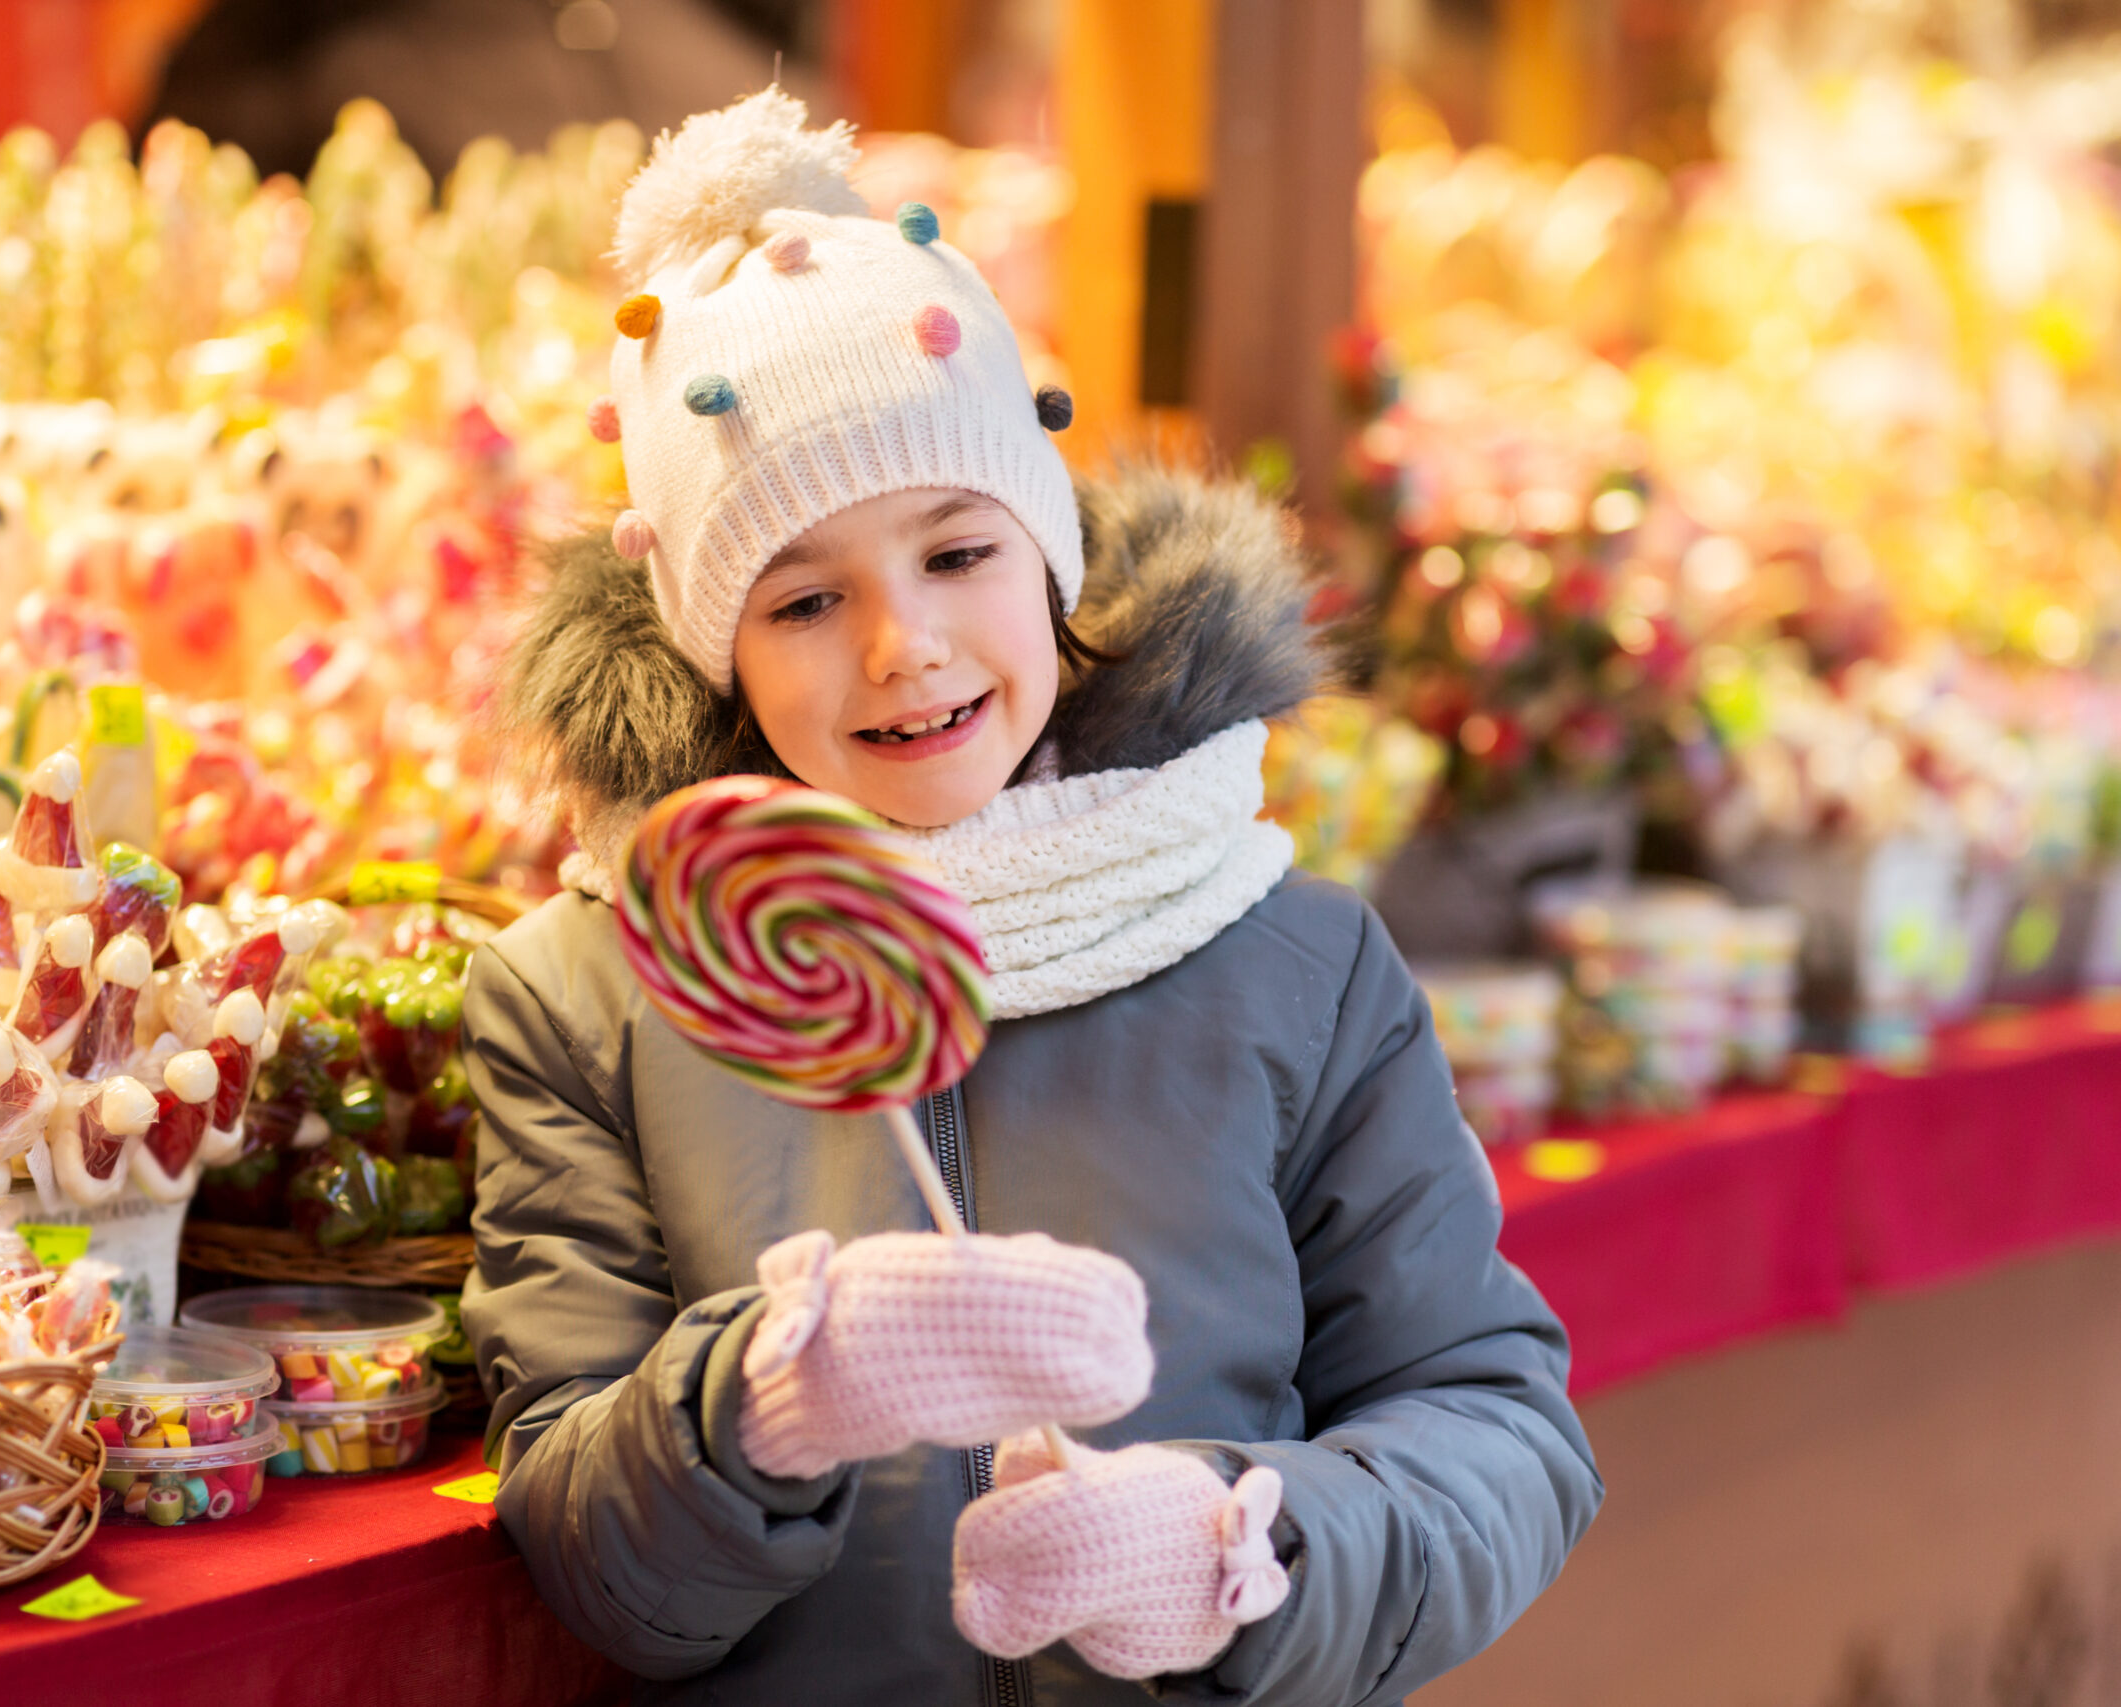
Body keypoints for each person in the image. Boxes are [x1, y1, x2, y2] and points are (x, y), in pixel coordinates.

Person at [460, 88, 1600, 1706]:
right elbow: (592, 1559)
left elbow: (1494, 1425)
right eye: (803, 599)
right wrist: (758, 1402)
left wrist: (1240, 1552)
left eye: (956, 554)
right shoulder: (586, 995)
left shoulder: (1294, 956)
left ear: (1049, 554)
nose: (902, 647)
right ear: (714, 647)